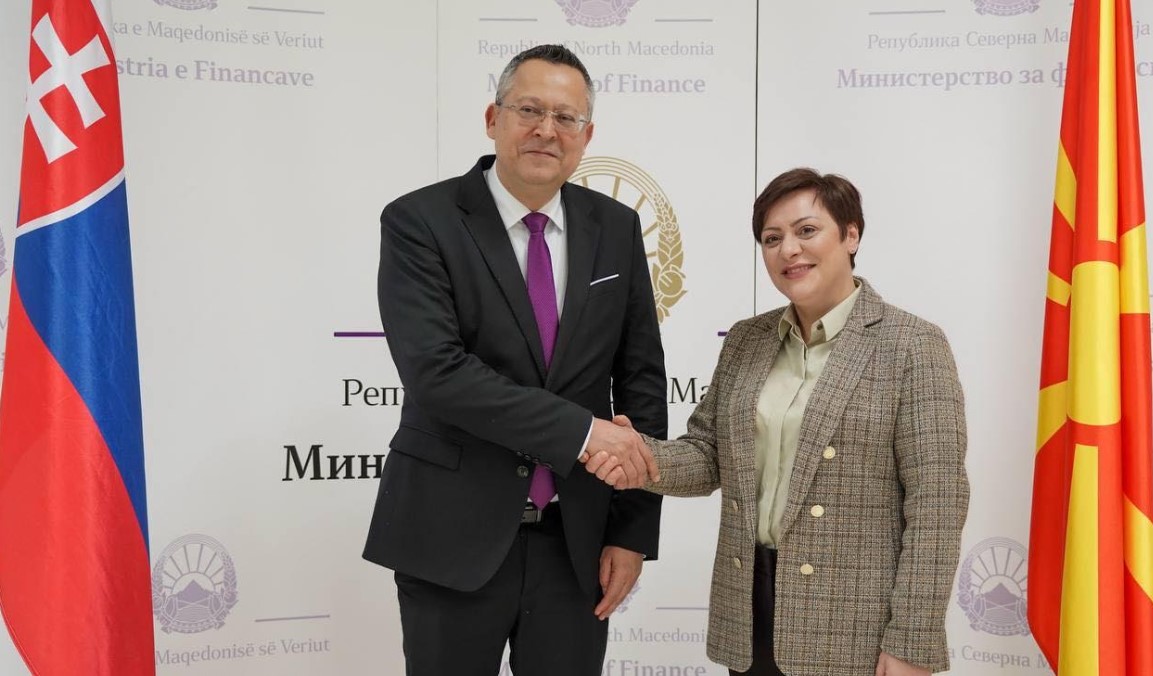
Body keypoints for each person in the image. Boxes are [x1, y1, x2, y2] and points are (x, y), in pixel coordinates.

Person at [362, 44, 667, 676]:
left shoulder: (616, 228)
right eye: (529, 110)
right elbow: (437, 373)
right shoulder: (420, 221)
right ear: (492, 118)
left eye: (566, 117)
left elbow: (641, 380)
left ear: (587, 136)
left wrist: (632, 532)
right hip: (450, 540)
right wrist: (583, 433)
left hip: (577, 545)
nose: (546, 130)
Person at [591, 168, 969, 676]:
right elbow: (708, 456)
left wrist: (911, 643)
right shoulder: (747, 340)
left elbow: (937, 505)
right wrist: (639, 456)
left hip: (856, 630)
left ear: (851, 234)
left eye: (806, 230)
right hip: (749, 616)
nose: (789, 249)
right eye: (772, 239)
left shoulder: (912, 345)